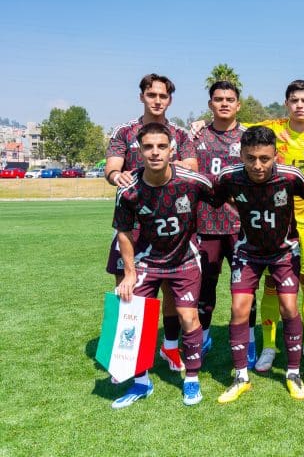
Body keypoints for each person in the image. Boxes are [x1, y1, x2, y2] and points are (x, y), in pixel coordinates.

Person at [110, 122, 212, 408]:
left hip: (185, 260)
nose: (155, 152)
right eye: (148, 147)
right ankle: (141, 382)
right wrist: (129, 273)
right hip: (147, 261)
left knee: (188, 316)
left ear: (172, 150)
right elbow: (124, 232)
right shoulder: (129, 189)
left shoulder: (192, 180)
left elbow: (221, 195)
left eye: (161, 146)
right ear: (139, 151)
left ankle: (191, 379)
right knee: (134, 316)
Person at [105, 73, 197, 374]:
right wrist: (117, 176)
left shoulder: (181, 135)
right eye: (152, 95)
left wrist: (165, 165)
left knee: (172, 290)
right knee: (127, 289)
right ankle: (127, 359)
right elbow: (113, 168)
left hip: (169, 224)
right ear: (142, 96)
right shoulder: (125, 131)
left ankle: (170, 347)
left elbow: (192, 167)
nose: (157, 100)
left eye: (163, 96)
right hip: (134, 222)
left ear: (169, 99)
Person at [212, 126, 304, 402]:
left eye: (265, 159)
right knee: (238, 309)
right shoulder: (229, 178)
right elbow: (213, 198)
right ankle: (241, 376)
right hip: (247, 251)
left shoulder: (291, 177)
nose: (257, 165)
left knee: (289, 307)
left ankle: (293, 372)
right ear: (241, 155)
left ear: (276, 155)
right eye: (251, 157)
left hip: (284, 251)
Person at [251, 80, 304, 371]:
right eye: (294, 100)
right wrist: (200, 123)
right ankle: (269, 346)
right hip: (278, 223)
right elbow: (235, 129)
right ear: (286, 103)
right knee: (273, 284)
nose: (299, 105)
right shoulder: (272, 129)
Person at [193, 81, 247, 362]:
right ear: (210, 104)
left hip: (242, 227)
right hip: (205, 224)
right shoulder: (196, 136)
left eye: (229, 99)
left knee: (244, 288)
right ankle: (203, 337)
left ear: (238, 104)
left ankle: (247, 341)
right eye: (218, 99)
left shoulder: (250, 136)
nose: (224, 103)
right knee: (204, 287)